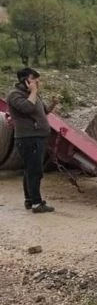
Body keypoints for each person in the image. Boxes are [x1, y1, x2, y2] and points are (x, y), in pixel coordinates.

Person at [5, 67, 58, 213]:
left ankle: (30, 200)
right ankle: (36, 203)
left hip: (37, 137)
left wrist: (53, 103)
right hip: (28, 138)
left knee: (30, 170)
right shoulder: (15, 95)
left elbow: (44, 111)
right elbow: (27, 108)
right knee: (35, 171)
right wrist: (34, 92)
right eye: (34, 79)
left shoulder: (32, 95)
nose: (38, 82)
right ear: (26, 80)